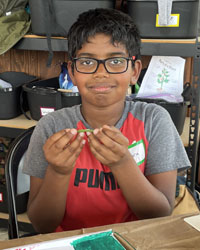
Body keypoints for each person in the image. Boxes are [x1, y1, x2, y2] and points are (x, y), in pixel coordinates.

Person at [23, 8, 191, 233]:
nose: (101, 73)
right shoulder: (51, 126)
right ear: (72, 71)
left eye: (115, 61)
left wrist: (123, 164)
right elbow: (42, 224)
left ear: (134, 71)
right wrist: (58, 172)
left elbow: (159, 213)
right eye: (86, 62)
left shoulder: (154, 121)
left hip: (135, 240)